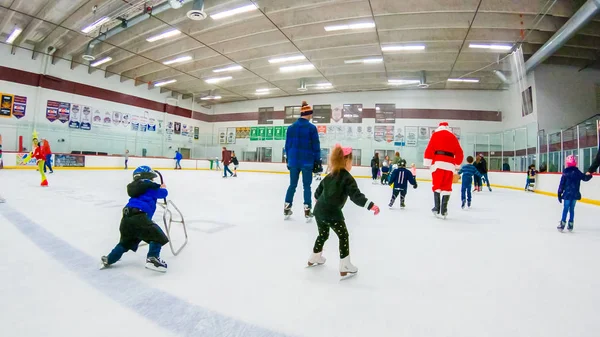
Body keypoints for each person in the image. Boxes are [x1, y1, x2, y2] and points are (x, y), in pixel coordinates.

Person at [309, 144, 380, 278]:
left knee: (323, 234)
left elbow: (317, 193)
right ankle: (345, 264)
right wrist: (371, 205)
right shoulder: (347, 178)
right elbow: (356, 196)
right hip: (332, 213)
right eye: (352, 160)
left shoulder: (329, 176)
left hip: (319, 211)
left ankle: (314, 256)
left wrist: (320, 202)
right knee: (343, 236)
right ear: (346, 161)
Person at [100, 166, 170, 272]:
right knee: (157, 236)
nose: (152, 180)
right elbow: (163, 193)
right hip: (139, 216)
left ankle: (109, 259)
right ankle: (153, 258)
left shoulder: (136, 188)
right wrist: (163, 187)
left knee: (125, 243)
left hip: (126, 217)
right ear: (148, 177)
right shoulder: (149, 186)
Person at [284, 100, 321, 220]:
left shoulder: (290, 128)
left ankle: (287, 207)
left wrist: (288, 160)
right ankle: (307, 209)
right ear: (309, 114)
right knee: (307, 186)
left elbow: (287, 146)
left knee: (292, 185)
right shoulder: (311, 128)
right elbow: (316, 146)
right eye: (311, 114)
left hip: (293, 161)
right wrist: (317, 161)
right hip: (307, 162)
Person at [423, 121, 464, 218]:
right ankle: (444, 210)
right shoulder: (453, 137)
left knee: (437, 185)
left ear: (439, 127)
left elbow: (429, 149)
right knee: (447, 186)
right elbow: (459, 152)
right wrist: (457, 163)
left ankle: (436, 208)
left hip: (438, 163)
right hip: (450, 165)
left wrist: (427, 162)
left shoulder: (435, 135)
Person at [557, 155, 592, 232]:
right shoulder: (577, 172)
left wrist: (559, 193)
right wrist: (590, 175)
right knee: (572, 209)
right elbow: (585, 178)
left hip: (567, 194)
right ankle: (571, 224)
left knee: (565, 208)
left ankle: (562, 223)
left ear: (567, 163)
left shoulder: (565, 172)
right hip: (575, 194)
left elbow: (562, 184)